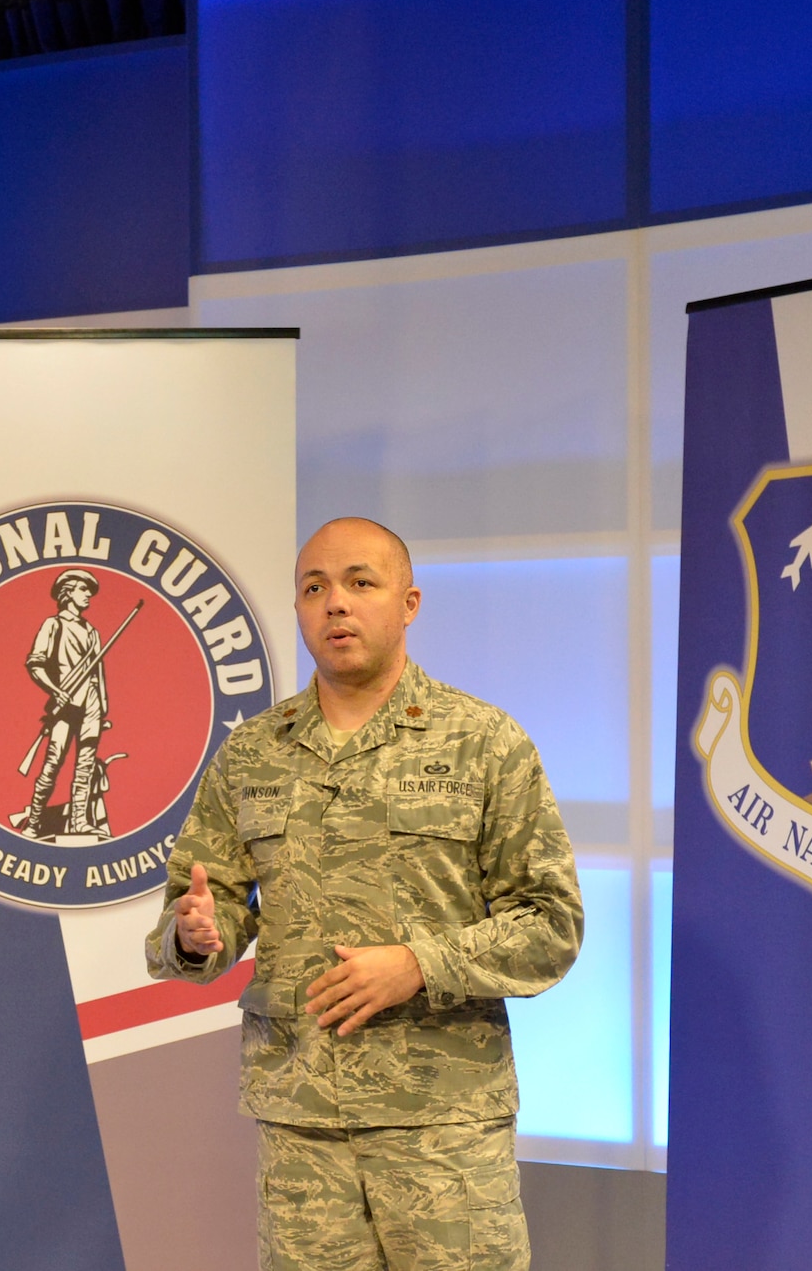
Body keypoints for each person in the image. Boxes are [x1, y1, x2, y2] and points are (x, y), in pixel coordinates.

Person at [145, 517, 582, 1271]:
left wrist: (420, 963)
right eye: (313, 588)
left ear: (408, 603)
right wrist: (194, 935)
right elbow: (197, 915)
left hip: (442, 1126)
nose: (334, 604)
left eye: (359, 582)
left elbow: (551, 925)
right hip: (301, 1125)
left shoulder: (482, 742)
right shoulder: (251, 752)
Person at [20, 569, 110, 839]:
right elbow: (35, 663)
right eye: (83, 591)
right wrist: (55, 691)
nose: (88, 597)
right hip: (66, 702)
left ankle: (79, 822)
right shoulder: (53, 625)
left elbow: (99, 674)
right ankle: (34, 822)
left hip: (91, 704)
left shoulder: (92, 631)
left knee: (85, 764)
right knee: (53, 762)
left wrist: (102, 708)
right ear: (68, 592)